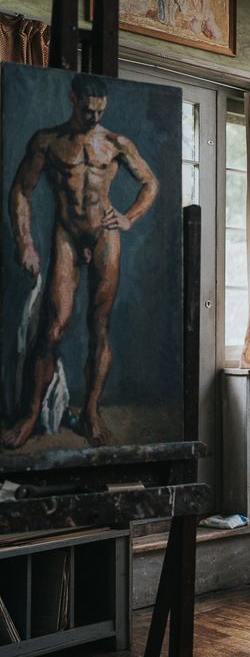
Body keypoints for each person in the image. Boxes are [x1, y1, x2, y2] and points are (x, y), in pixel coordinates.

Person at [2, 73, 159, 449]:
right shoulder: (49, 141)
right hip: (67, 236)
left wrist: (129, 217)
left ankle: (91, 410)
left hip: (105, 235)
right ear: (73, 100)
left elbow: (150, 183)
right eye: (87, 110)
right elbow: (21, 191)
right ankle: (30, 415)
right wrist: (25, 242)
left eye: (99, 111)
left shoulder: (115, 143)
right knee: (53, 328)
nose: (93, 117)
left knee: (99, 325)